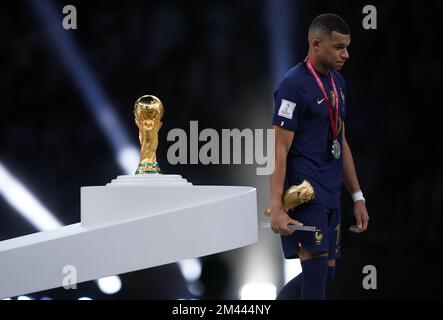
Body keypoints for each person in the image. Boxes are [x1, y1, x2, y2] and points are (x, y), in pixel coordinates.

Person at [269, 13, 369, 300]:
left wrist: (357, 196)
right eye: (339, 47)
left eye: (347, 47)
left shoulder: (338, 84)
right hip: (305, 194)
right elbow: (279, 148)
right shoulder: (293, 85)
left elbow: (341, 141)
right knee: (314, 276)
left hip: (330, 191)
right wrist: (277, 207)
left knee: (327, 274)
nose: (346, 54)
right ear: (316, 44)